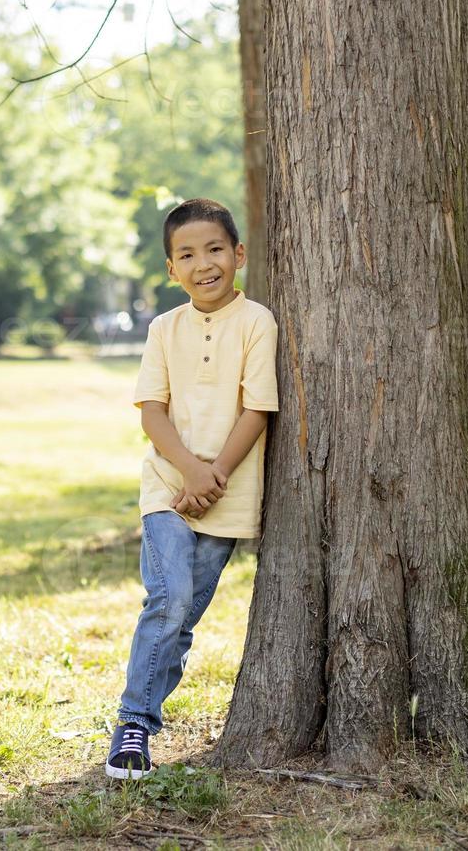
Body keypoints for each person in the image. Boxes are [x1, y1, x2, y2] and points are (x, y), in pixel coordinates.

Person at [105, 198, 279, 780]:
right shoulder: (163, 328)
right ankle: (134, 723)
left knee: (182, 617)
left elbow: (257, 410)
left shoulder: (257, 321)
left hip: (229, 499)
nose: (203, 263)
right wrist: (189, 472)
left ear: (238, 254)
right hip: (167, 490)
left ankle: (143, 710)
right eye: (187, 254)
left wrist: (215, 475)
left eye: (214, 250)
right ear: (170, 269)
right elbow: (151, 410)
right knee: (169, 597)